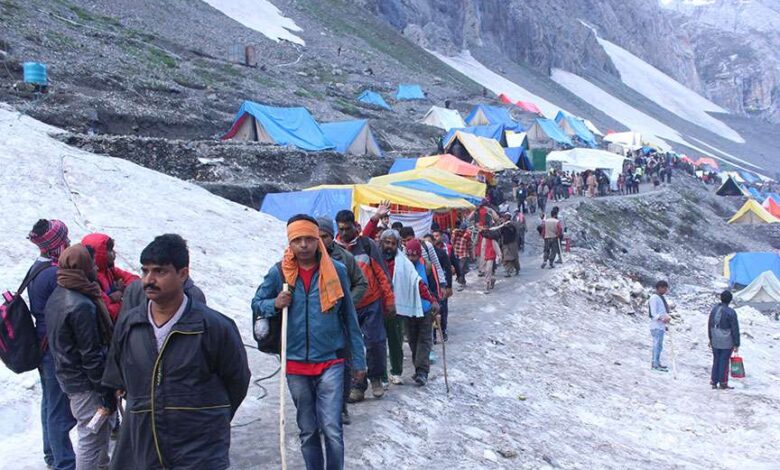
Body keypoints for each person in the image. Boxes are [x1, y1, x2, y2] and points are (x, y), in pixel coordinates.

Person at [104, 234, 250, 469]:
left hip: (199, 451)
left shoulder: (213, 327)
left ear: (183, 274)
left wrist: (208, 416)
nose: (149, 280)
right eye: (145, 271)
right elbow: (118, 374)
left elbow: (237, 382)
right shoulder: (130, 325)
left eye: (160, 271)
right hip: (146, 449)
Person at [252, 216, 365, 470]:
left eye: (309, 239)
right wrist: (274, 303)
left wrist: (359, 361)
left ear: (318, 241)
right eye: (297, 240)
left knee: (332, 428)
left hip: (331, 361)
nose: (303, 245)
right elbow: (257, 303)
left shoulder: (336, 271)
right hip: (295, 364)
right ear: (290, 243)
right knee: (308, 430)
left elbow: (349, 317)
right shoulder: (279, 272)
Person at [45, 244, 116, 470]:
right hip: (85, 384)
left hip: (69, 377)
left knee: (99, 433)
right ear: (82, 267)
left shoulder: (59, 293)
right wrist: (104, 389)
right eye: (92, 264)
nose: (95, 268)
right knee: (91, 438)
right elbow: (90, 355)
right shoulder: (81, 304)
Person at [27, 219, 77, 470]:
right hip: (55, 347)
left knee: (49, 401)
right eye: (64, 239)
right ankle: (63, 462)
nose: (68, 242)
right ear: (56, 244)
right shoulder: (54, 274)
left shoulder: (38, 267)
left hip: (42, 342)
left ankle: (51, 454)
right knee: (59, 407)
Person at [335, 210, 395, 403]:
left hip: (371, 302)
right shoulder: (333, 250)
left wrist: (389, 300)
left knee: (376, 342)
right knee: (351, 347)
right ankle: (358, 386)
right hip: (347, 306)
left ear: (355, 226)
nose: (344, 233)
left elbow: (382, 274)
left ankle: (376, 377)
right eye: (341, 229)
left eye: (347, 228)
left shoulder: (367, 245)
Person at [317, 216, 368, 423]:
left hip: (340, 322)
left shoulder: (344, 258)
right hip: (317, 324)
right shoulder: (304, 260)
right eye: (316, 237)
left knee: (342, 365)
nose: (320, 241)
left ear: (332, 236)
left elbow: (361, 283)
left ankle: (340, 407)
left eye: (325, 236)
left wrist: (347, 303)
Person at [402, 239, 441, 385]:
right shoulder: (402, 267)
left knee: (424, 340)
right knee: (412, 340)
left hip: (425, 309)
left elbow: (434, 287)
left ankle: (422, 372)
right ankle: (418, 368)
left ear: (419, 254)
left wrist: (435, 302)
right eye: (409, 255)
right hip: (408, 310)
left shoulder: (428, 267)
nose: (411, 258)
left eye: (414, 256)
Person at [81, 234, 140, 322]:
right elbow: (107, 311)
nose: (114, 253)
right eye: (110, 250)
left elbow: (134, 279)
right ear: (99, 254)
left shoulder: (108, 270)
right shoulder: (92, 279)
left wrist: (122, 290)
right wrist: (122, 299)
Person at [708, 291, 740, 390]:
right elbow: (735, 329)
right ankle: (723, 382)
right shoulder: (731, 312)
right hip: (727, 341)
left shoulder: (714, 310)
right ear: (730, 300)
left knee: (716, 360)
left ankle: (714, 381)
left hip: (715, 338)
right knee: (724, 362)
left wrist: (710, 338)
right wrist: (736, 343)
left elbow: (709, 325)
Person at [649, 280, 672, 372]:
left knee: (659, 346)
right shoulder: (654, 298)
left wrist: (666, 318)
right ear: (659, 288)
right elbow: (653, 313)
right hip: (656, 326)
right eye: (664, 288)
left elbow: (662, 312)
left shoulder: (660, 298)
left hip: (661, 326)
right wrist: (663, 319)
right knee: (656, 345)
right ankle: (655, 364)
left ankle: (657, 362)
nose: (666, 290)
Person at [451, 225, 471, 290]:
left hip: (463, 254)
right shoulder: (456, 234)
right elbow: (452, 241)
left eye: (463, 229)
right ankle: (463, 281)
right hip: (456, 253)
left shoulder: (467, 235)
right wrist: (454, 233)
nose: (462, 230)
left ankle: (460, 282)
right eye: (461, 229)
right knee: (460, 268)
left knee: (461, 268)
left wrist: (471, 254)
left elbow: (469, 244)